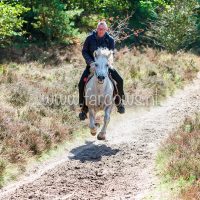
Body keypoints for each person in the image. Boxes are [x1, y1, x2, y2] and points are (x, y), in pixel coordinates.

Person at [78, 21, 125, 120]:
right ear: (97, 28)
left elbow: (111, 54)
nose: (100, 30)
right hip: (92, 66)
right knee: (81, 83)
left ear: (106, 29)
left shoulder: (110, 40)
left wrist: (108, 64)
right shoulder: (89, 38)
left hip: (105, 67)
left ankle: (119, 102)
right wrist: (90, 62)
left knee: (120, 80)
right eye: (99, 29)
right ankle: (83, 108)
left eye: (103, 29)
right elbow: (84, 51)